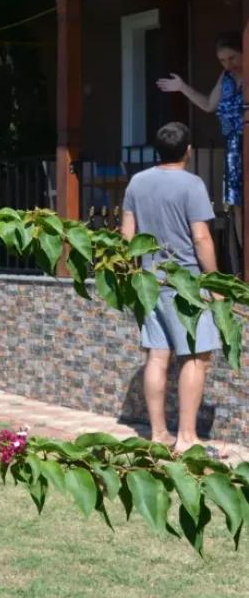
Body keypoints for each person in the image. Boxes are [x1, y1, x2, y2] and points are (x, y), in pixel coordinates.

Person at [120, 122, 221, 455]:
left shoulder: (137, 181)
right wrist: (215, 281)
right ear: (188, 151)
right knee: (195, 357)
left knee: (158, 355)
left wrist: (136, 276)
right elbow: (202, 237)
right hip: (185, 283)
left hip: (149, 281)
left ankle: (159, 433)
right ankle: (187, 437)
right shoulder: (192, 184)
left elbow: (127, 236)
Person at [156, 31, 242, 256]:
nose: (228, 64)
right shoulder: (226, 77)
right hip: (234, 148)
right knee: (238, 206)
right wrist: (182, 87)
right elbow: (207, 105)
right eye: (223, 60)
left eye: (232, 58)